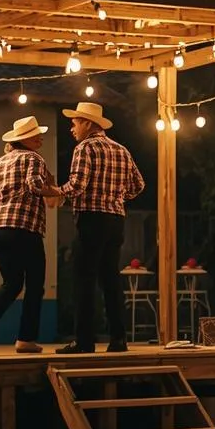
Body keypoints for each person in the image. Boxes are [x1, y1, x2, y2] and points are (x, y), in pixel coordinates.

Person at [54, 102, 144, 354]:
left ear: (87, 123)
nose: (72, 128)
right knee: (110, 279)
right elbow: (139, 185)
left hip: (91, 218)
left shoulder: (85, 147)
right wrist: (115, 195)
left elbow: (78, 184)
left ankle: (84, 341)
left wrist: (56, 192)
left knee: (84, 279)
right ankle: (118, 339)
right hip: (116, 219)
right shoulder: (121, 150)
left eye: (75, 123)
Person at [0, 116, 55, 354]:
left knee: (13, 282)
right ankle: (26, 339)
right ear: (24, 139)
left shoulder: (0, 162)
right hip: (25, 227)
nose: (41, 138)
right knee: (35, 284)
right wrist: (56, 190)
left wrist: (4, 204)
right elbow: (35, 185)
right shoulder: (34, 159)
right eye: (36, 135)